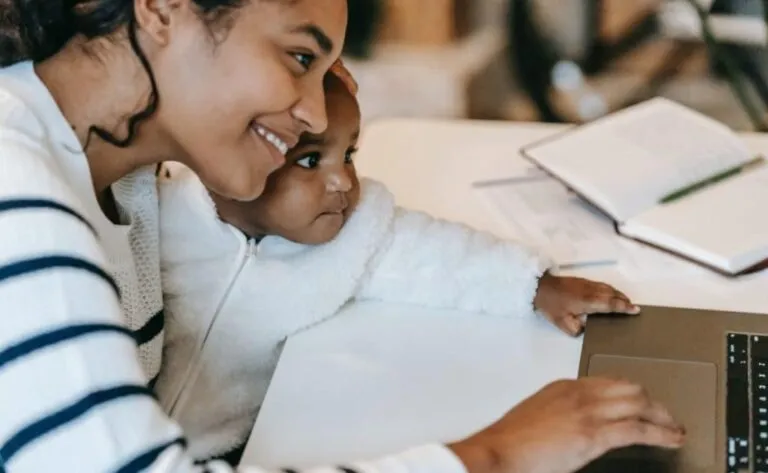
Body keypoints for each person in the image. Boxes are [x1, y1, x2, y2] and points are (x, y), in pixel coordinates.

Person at [0, 0, 684, 472]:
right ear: (161, 10)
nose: (312, 112)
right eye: (299, 57)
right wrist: (491, 455)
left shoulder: (126, 184)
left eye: (328, 75)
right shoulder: (20, 194)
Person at [156, 72, 648, 462]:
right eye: (309, 161)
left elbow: (434, 255)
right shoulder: (161, 211)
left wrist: (534, 286)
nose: (342, 182)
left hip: (240, 449)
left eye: (348, 154)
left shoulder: (350, 233)